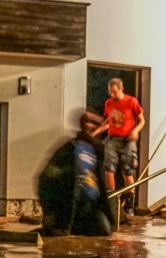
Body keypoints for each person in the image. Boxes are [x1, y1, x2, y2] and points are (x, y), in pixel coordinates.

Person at [37, 112, 113, 236]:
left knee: (104, 235)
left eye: (95, 123)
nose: (90, 126)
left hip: (92, 208)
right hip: (70, 208)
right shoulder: (70, 148)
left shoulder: (96, 150)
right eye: (87, 122)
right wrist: (50, 210)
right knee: (61, 238)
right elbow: (46, 178)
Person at [97, 78, 145, 216]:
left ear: (121, 89)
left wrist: (135, 130)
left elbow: (142, 120)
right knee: (109, 170)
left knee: (127, 172)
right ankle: (111, 202)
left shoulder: (131, 101)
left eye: (115, 92)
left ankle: (129, 206)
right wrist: (96, 131)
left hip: (127, 140)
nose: (112, 95)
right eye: (110, 92)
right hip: (112, 139)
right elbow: (108, 121)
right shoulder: (109, 103)